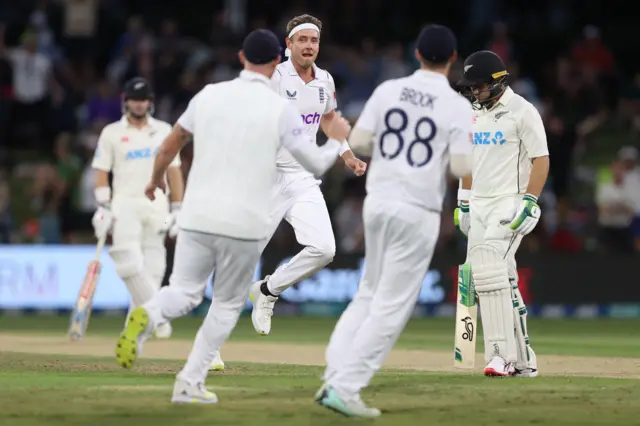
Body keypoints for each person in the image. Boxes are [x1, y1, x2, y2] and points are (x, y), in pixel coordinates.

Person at [114, 29, 351, 405]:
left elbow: (168, 146)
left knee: (184, 293)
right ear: (278, 60)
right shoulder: (279, 109)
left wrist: (154, 182)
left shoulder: (210, 95)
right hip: (244, 213)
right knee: (226, 304)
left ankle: (149, 312)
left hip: (198, 210)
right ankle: (189, 381)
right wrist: (339, 139)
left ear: (241, 57)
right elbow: (317, 159)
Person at [315, 25, 473, 417]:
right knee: (392, 305)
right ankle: (344, 386)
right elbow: (460, 165)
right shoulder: (457, 107)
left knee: (368, 292)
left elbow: (362, 142)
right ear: (452, 60)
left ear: (417, 54)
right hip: (416, 208)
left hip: (378, 201)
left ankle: (335, 376)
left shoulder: (388, 90)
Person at [246, 13, 367, 340]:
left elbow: (329, 122)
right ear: (288, 45)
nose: (309, 45)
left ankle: (268, 290)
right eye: (302, 39)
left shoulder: (324, 80)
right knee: (241, 259)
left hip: (301, 177)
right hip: (266, 179)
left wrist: (347, 155)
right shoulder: (273, 77)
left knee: (325, 249)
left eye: (314, 40)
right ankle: (211, 347)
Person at [455, 50, 549, 377]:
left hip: (511, 202)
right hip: (478, 203)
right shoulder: (472, 114)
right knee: (501, 279)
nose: (474, 93)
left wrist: (530, 201)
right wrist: (463, 201)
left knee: (489, 268)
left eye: (478, 87)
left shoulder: (523, 111)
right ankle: (524, 360)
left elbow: (541, 159)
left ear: (497, 82)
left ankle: (499, 356)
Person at [91, 77, 183, 339]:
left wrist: (178, 207)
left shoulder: (165, 129)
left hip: (157, 205)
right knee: (128, 261)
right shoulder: (111, 132)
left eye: (143, 100)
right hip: (124, 204)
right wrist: (103, 206)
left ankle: (136, 328)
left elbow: (174, 170)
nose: (139, 104)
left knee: (154, 270)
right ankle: (159, 318)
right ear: (126, 101)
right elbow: (101, 172)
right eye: (134, 99)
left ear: (150, 102)